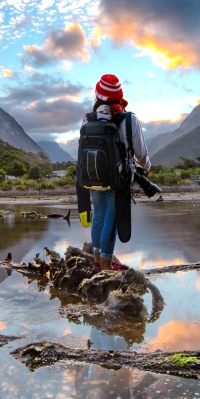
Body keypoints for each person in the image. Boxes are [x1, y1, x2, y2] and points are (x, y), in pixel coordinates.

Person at [83, 74, 151, 272]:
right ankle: (106, 265)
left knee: (99, 215)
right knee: (110, 219)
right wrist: (146, 169)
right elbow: (141, 154)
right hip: (117, 178)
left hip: (93, 175)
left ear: (98, 96)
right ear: (119, 96)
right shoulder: (129, 119)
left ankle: (97, 259)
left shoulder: (88, 118)